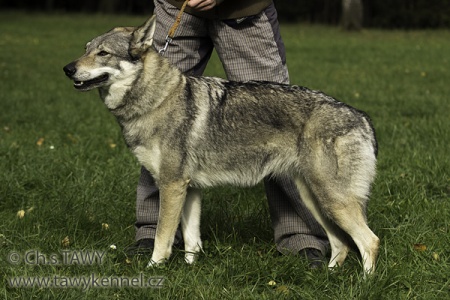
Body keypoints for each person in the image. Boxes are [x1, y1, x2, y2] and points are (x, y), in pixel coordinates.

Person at [128, 0, 329, 268]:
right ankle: (153, 234)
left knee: (280, 121)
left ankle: (301, 235)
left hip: (245, 11)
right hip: (177, 9)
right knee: (160, 125)